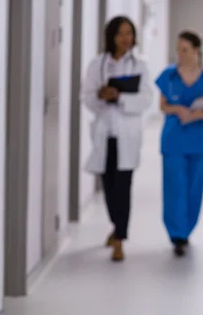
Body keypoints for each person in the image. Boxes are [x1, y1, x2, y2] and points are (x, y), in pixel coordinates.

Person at [81, 16, 153, 262]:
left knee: (123, 188)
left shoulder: (139, 65)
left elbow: (145, 99)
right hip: (105, 134)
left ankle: (120, 240)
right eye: (121, 33)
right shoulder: (97, 64)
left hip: (127, 135)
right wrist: (102, 95)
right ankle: (116, 226)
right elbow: (87, 96)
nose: (126, 38)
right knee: (110, 189)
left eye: (129, 33)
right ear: (111, 36)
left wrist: (119, 97)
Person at [155, 31, 203, 257]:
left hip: (198, 143)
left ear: (197, 50)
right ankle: (177, 234)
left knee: (194, 188)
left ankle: (187, 230)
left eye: (184, 49)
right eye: (178, 49)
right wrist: (178, 109)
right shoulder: (169, 75)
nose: (180, 54)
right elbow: (163, 106)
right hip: (173, 141)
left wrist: (196, 115)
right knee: (174, 189)